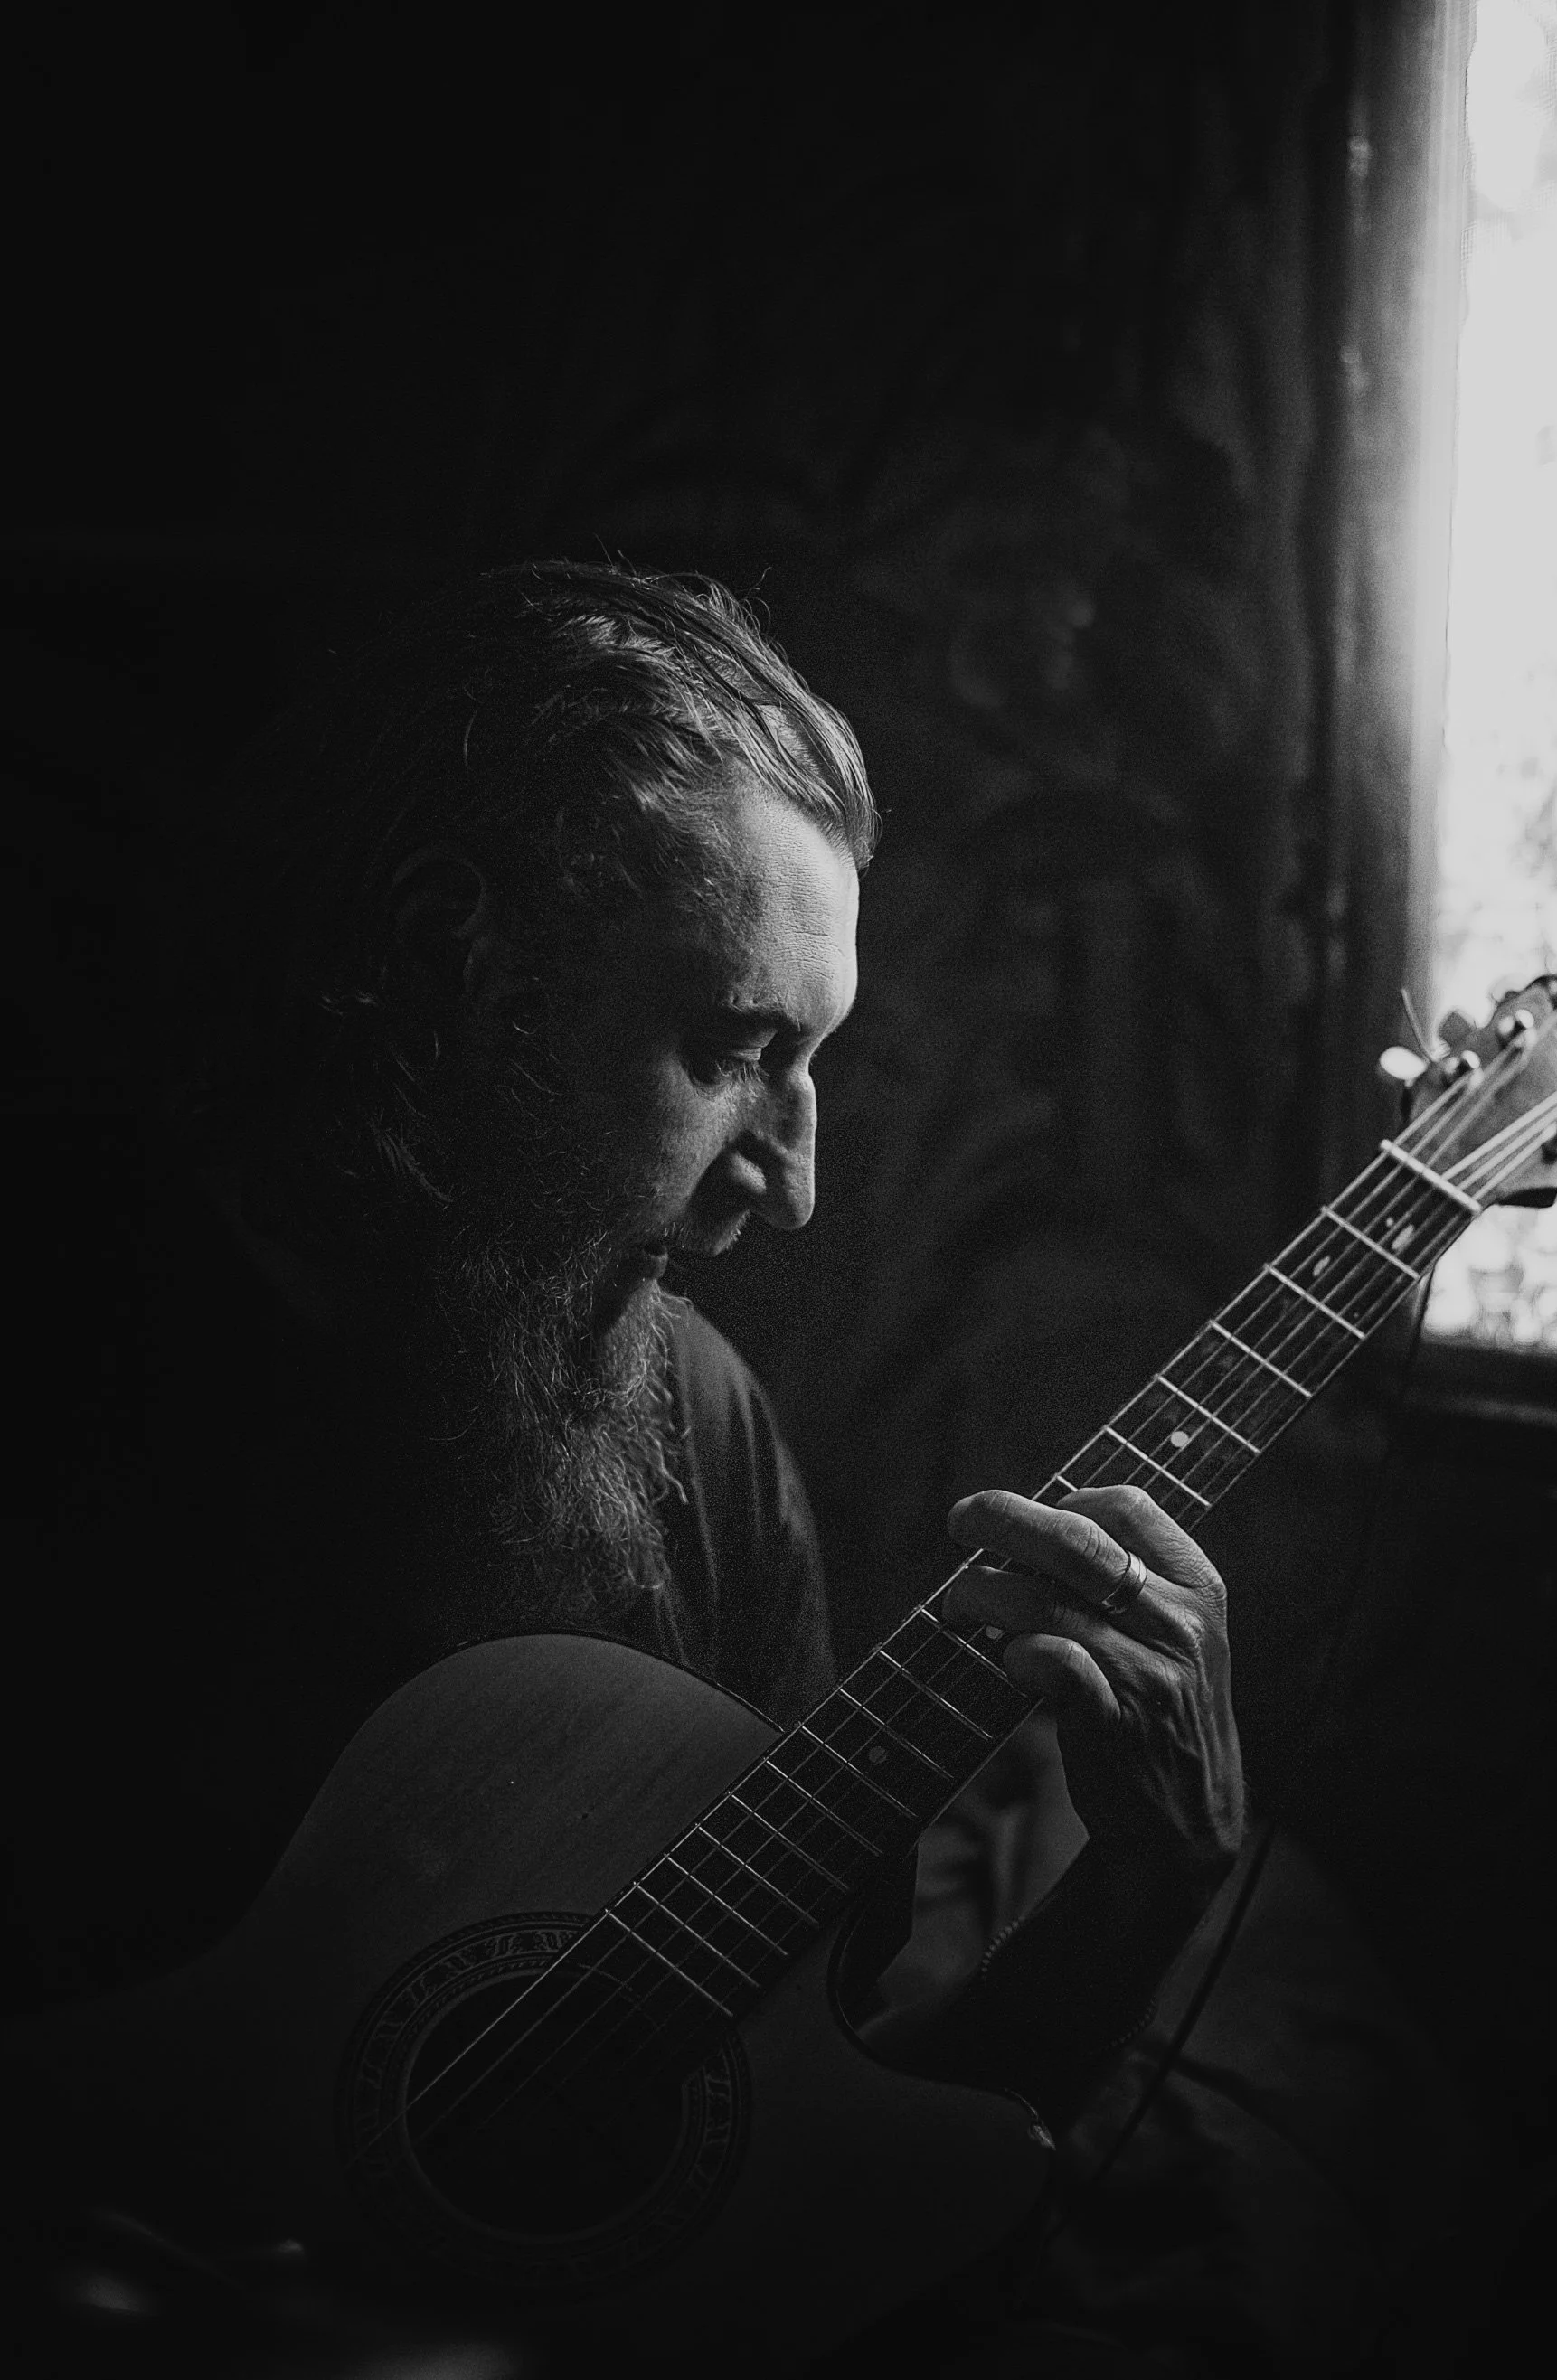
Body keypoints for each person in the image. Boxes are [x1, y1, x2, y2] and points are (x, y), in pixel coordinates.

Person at [8, 562, 1270, 2373]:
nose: (796, 1174)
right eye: (735, 1048)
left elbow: (821, 2186)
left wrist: (1146, 1878)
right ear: (454, 968)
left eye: (812, 1061)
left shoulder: (701, 1429)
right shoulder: (71, 1345)